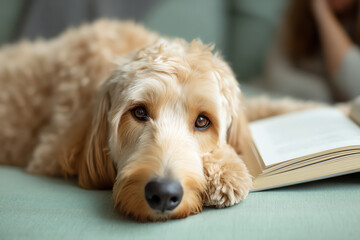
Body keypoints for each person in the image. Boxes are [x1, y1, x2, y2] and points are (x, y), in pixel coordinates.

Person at [264, 0, 360, 102]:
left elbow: (356, 89)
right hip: (288, 101)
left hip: (329, 110)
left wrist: (324, 14)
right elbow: (275, 72)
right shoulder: (296, 14)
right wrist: (319, 7)